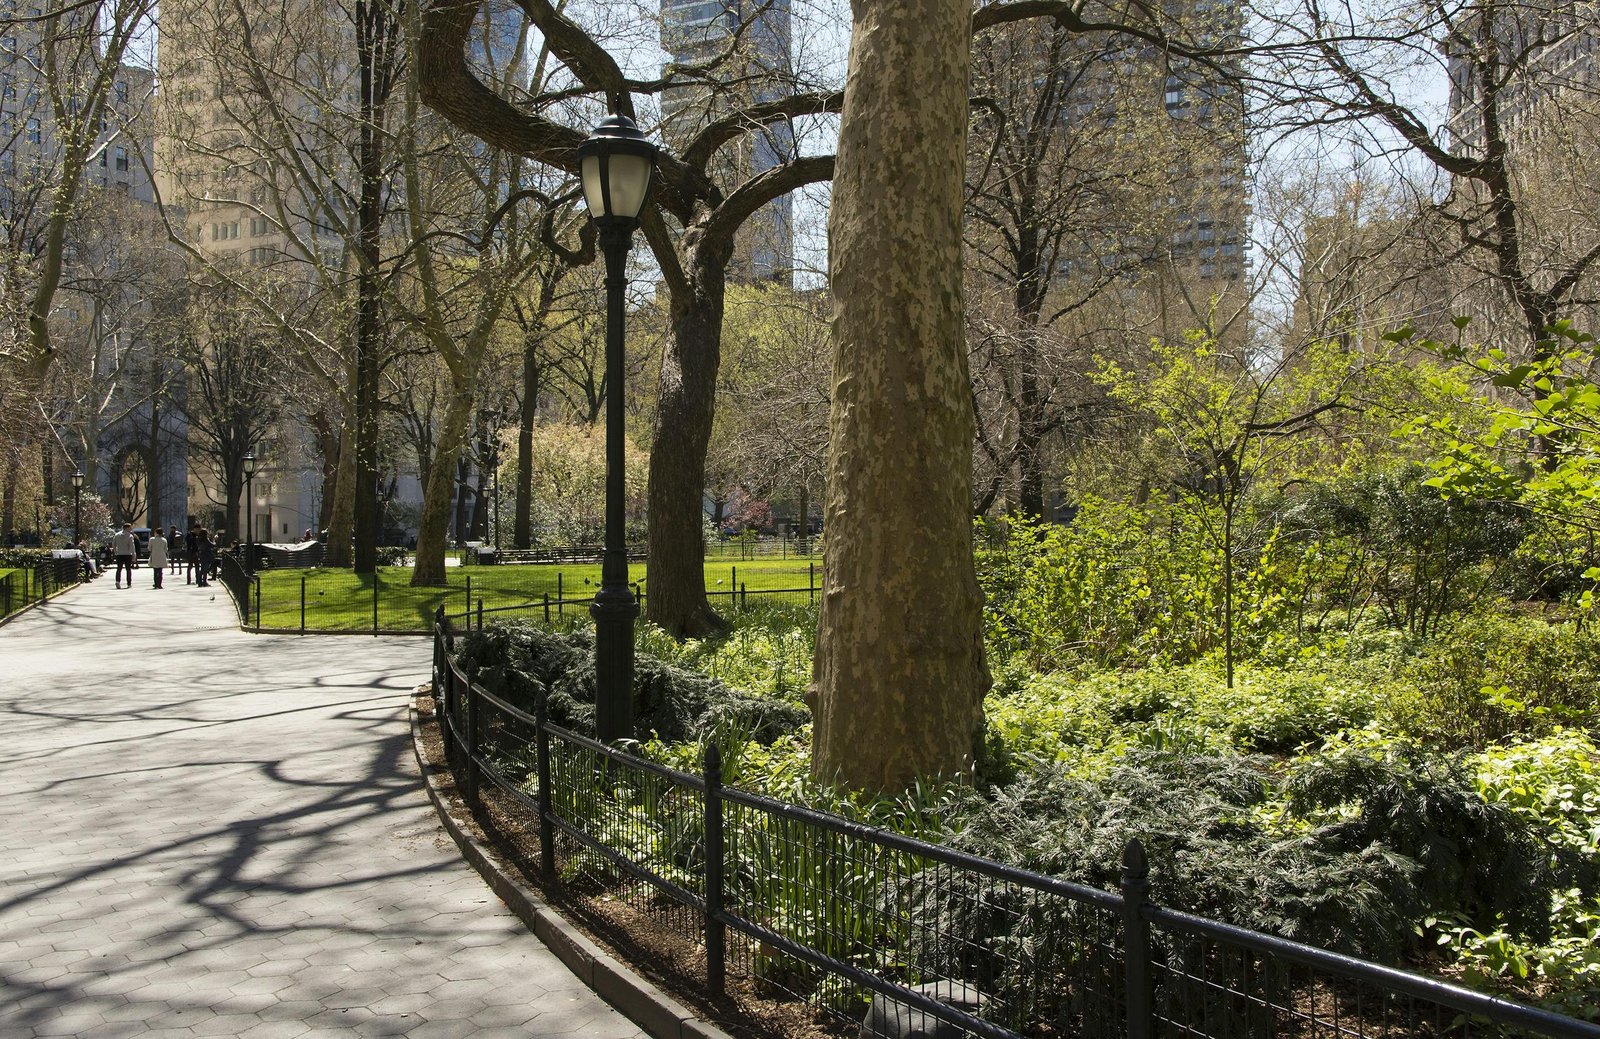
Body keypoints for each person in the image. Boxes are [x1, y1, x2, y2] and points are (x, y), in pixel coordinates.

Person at [111, 522, 137, 589]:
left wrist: (115, 551)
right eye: (130, 527)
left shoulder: (117, 535)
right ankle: (129, 583)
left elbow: (113, 544)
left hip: (119, 554)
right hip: (127, 554)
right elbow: (132, 546)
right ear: (126, 528)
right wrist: (134, 555)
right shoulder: (130, 536)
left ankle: (117, 581)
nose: (131, 529)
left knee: (119, 568)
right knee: (128, 569)